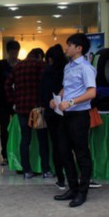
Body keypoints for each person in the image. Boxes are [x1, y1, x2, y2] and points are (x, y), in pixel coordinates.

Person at [51, 33, 96, 208]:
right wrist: (57, 98)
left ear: (79, 48)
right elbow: (66, 88)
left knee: (82, 153)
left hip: (79, 115)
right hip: (65, 115)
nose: (66, 48)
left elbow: (92, 92)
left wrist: (70, 102)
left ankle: (82, 192)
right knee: (64, 151)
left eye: (69, 45)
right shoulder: (68, 67)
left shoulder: (86, 67)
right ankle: (72, 188)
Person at [5, 48, 49, 179]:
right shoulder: (40, 65)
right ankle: (46, 170)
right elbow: (45, 84)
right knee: (42, 140)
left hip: (22, 108)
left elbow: (7, 85)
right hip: (36, 108)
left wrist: (13, 100)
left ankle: (26, 170)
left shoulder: (17, 67)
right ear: (39, 56)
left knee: (25, 140)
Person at [40, 44, 68, 189]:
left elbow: (43, 94)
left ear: (50, 59)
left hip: (52, 112)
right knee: (69, 144)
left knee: (56, 145)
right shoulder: (67, 70)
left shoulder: (47, 73)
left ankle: (60, 178)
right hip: (69, 111)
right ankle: (73, 176)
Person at [0, 40, 20, 166]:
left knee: (17, 128)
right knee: (4, 129)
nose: (14, 55)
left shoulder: (20, 65)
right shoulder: (1, 64)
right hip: (3, 100)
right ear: (8, 52)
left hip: (17, 101)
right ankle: (5, 155)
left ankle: (16, 153)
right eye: (12, 52)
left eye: (16, 52)